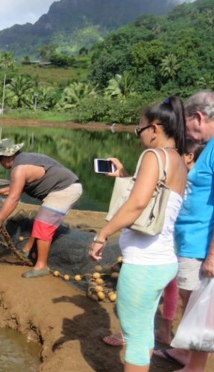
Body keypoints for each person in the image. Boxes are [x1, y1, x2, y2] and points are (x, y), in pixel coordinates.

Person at [89, 96, 187, 372]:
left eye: (139, 129)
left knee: (135, 336)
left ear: (155, 129)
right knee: (143, 329)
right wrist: (124, 175)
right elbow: (155, 199)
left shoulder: (154, 156)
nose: (139, 135)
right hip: (164, 259)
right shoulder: (177, 159)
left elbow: (138, 204)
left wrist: (102, 234)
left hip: (145, 262)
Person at [102, 139, 204, 348]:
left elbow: (143, 200)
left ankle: (157, 332)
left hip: (174, 242)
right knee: (165, 289)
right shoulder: (180, 175)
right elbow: (146, 192)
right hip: (171, 241)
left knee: (168, 290)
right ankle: (158, 331)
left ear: (189, 156)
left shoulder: (188, 179)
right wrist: (123, 174)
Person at [154, 91, 214, 371]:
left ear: (199, 117)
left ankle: (195, 367)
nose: (187, 132)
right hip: (191, 239)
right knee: (192, 305)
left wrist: (213, 254)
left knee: (198, 308)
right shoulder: (209, 146)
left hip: (201, 244)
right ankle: (185, 354)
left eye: (187, 124)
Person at [0, 139, 83, 279]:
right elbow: (19, 188)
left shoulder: (19, 169)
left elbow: (14, 198)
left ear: (7, 157)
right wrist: (3, 191)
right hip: (61, 188)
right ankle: (27, 249)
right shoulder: (22, 161)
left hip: (65, 188)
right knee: (40, 219)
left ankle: (41, 267)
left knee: (44, 223)